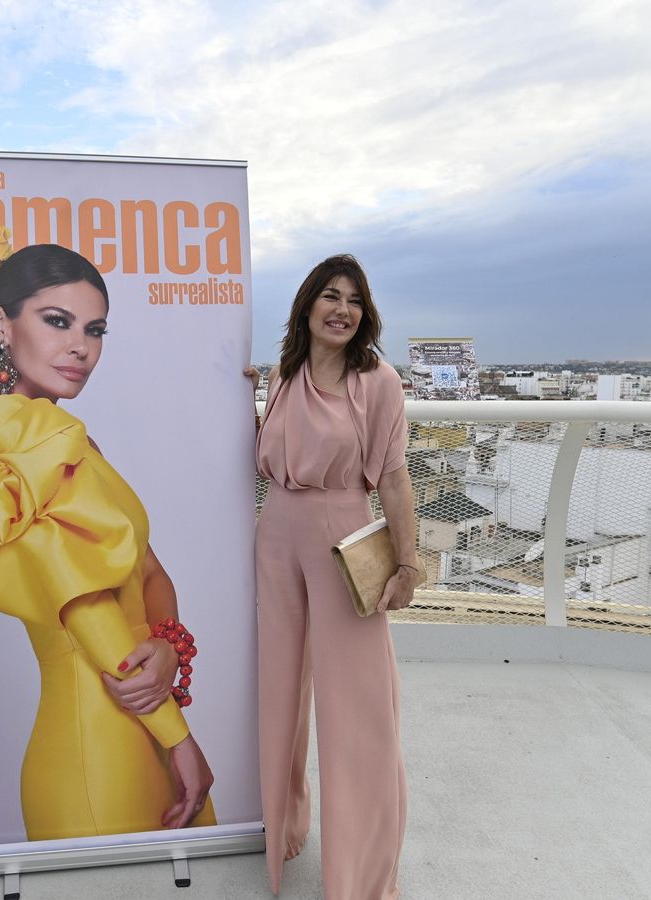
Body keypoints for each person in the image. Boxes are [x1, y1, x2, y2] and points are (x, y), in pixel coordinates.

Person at [0, 234, 216, 840]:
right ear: (0, 324)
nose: (80, 347)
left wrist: (166, 646)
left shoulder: (70, 440)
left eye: (96, 330)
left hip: (142, 710)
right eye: (57, 321)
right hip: (100, 736)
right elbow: (81, 598)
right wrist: (179, 737)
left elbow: (148, 570)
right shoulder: (6, 437)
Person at [250, 254, 413, 899]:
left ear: (364, 313)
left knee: (358, 709)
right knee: (279, 693)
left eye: (353, 299)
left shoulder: (378, 381)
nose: (341, 309)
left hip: (345, 538)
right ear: (308, 307)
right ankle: (284, 824)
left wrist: (408, 561)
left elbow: (394, 477)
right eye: (329, 296)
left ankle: (363, 876)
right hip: (276, 538)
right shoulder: (284, 375)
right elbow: (263, 458)